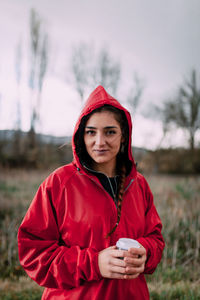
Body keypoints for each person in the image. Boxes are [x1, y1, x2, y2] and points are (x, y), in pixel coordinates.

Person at [18, 85, 165, 299]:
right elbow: (33, 253)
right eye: (91, 132)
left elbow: (156, 239)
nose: (99, 142)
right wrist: (93, 263)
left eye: (110, 132)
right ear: (81, 136)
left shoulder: (139, 184)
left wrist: (146, 252)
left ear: (124, 136)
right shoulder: (59, 183)